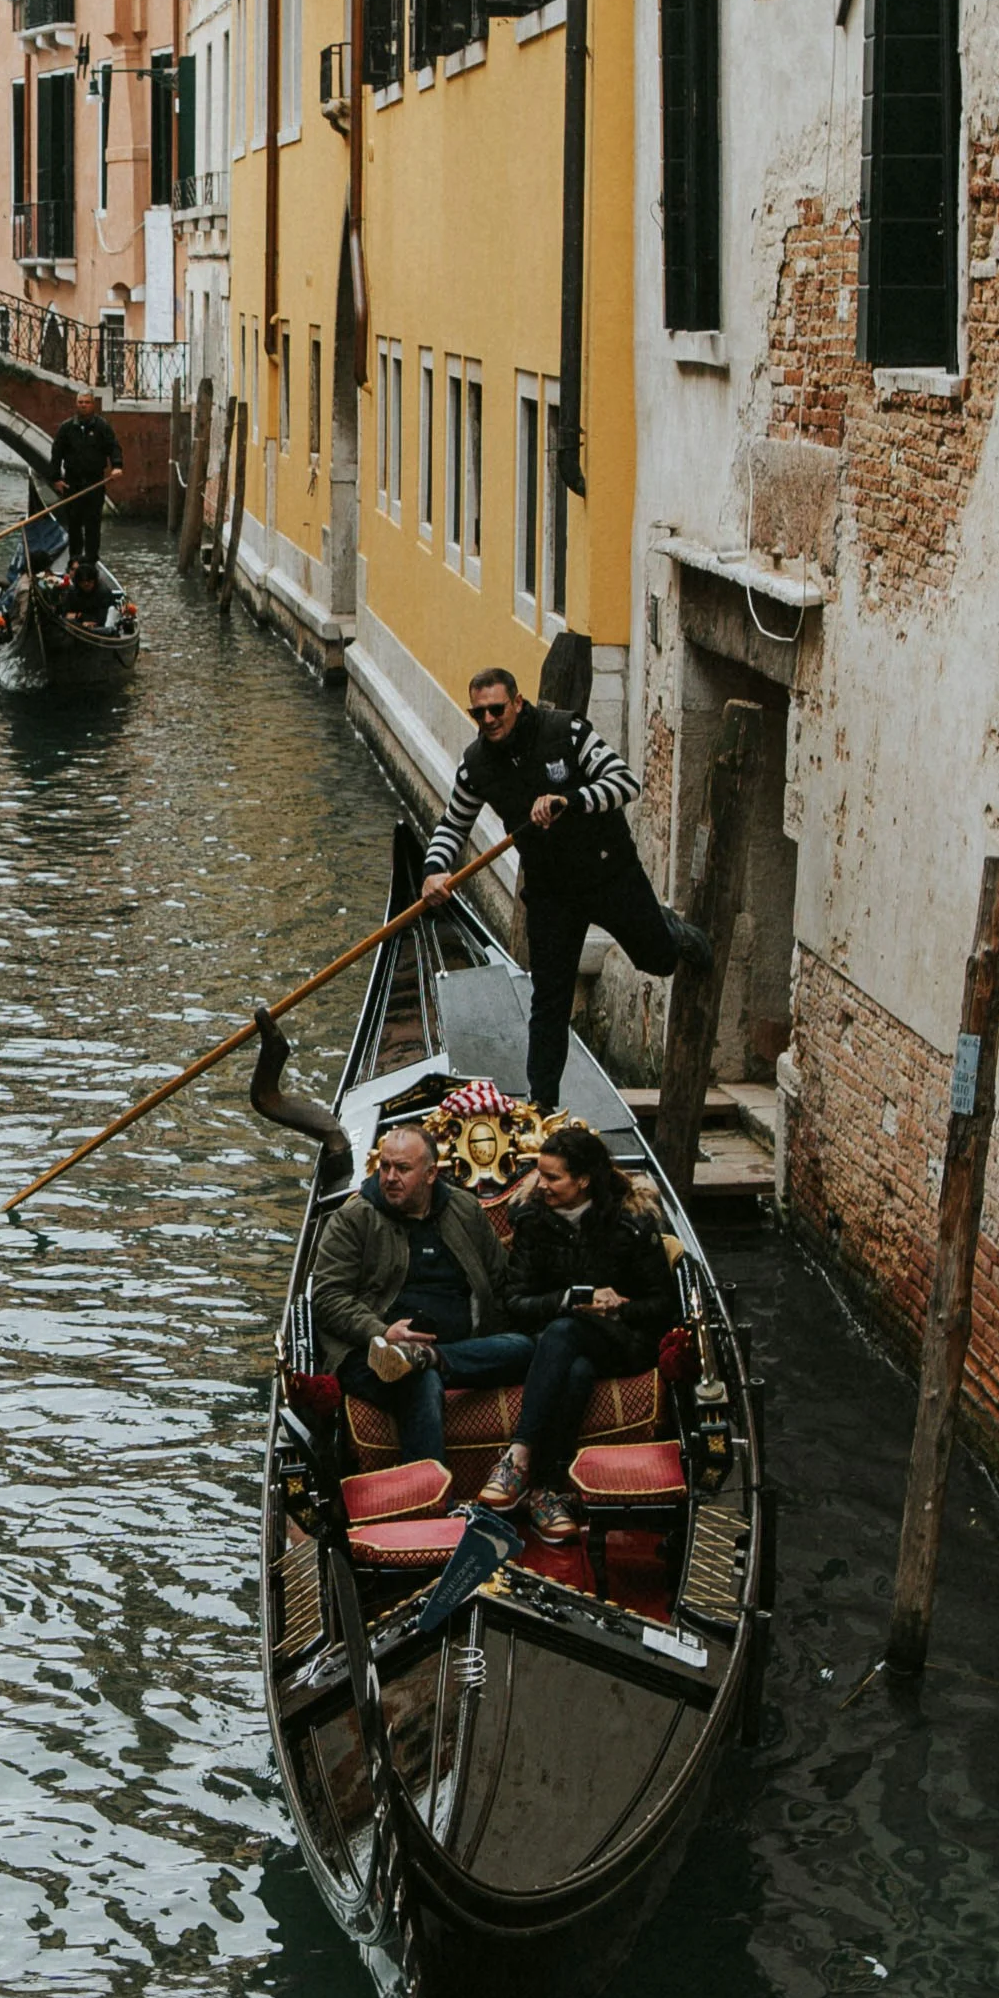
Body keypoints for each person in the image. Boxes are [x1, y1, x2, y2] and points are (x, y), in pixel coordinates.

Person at [382, 1122, 677, 1651]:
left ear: (584, 1181)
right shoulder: (532, 1221)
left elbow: (664, 1307)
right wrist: (568, 1299)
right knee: (569, 1354)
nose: (540, 1185)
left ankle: (513, 1453)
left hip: (625, 1342)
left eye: (552, 1177)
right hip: (563, 1347)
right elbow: (517, 1302)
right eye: (540, 1175)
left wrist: (619, 1305)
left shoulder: (632, 1224)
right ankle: (544, 1488)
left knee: (563, 1338)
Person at [420, 661, 701, 1112]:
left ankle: (671, 929)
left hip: (609, 874)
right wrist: (434, 870)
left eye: (496, 710)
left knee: (660, 961)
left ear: (517, 702)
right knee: (549, 1003)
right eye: (479, 714)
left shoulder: (567, 732)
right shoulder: (476, 765)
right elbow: (453, 824)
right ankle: (542, 1107)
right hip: (552, 892)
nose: (488, 721)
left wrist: (568, 800)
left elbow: (625, 783)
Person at [300, 1114, 529, 1483]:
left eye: (402, 1169)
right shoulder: (354, 1218)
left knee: (524, 1347)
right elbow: (327, 1297)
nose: (390, 1177)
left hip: (462, 1349)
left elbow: (502, 1283)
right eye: (385, 1167)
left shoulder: (464, 1210)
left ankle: (430, 1358)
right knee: (418, 1379)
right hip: (374, 1353)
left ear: (430, 1173)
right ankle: (429, 1501)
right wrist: (382, 1331)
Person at [44, 403, 122, 572]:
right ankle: (74, 559)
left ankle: (91, 560)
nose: (83, 406)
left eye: (86, 403)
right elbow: (56, 453)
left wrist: (117, 465)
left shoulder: (102, 426)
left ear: (92, 405)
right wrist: (56, 479)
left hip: (95, 482)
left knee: (93, 523)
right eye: (80, 403)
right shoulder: (66, 428)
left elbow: (113, 446)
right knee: (74, 523)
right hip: (73, 482)